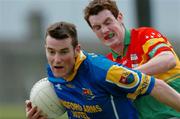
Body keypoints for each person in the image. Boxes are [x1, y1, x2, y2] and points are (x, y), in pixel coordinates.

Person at [25, 21, 180, 119]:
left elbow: (156, 86)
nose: (56, 59)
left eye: (64, 52)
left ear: (76, 50)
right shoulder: (53, 74)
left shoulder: (105, 71)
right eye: (51, 51)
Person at [83, 0, 180, 118]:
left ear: (119, 17)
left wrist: (127, 76)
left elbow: (168, 60)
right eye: (97, 27)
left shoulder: (144, 35)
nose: (104, 30)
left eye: (108, 22)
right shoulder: (107, 63)